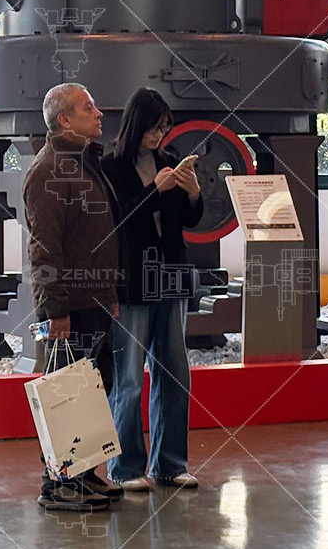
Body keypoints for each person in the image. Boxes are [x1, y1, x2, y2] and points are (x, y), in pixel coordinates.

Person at [21, 83, 125, 513]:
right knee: (66, 393)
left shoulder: (84, 164)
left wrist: (109, 293)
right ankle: (58, 483)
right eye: (88, 107)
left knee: (93, 391)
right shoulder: (47, 172)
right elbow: (44, 249)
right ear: (64, 119)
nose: (99, 113)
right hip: (70, 306)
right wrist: (56, 309)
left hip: (95, 299)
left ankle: (82, 475)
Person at [100, 88, 203, 491]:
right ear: (136, 124)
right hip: (133, 281)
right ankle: (125, 468)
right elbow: (117, 221)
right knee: (129, 378)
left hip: (171, 277)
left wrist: (193, 192)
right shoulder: (110, 167)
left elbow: (188, 221)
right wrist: (153, 192)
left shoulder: (170, 162)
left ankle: (170, 464)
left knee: (175, 373)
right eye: (153, 127)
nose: (158, 135)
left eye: (164, 128)